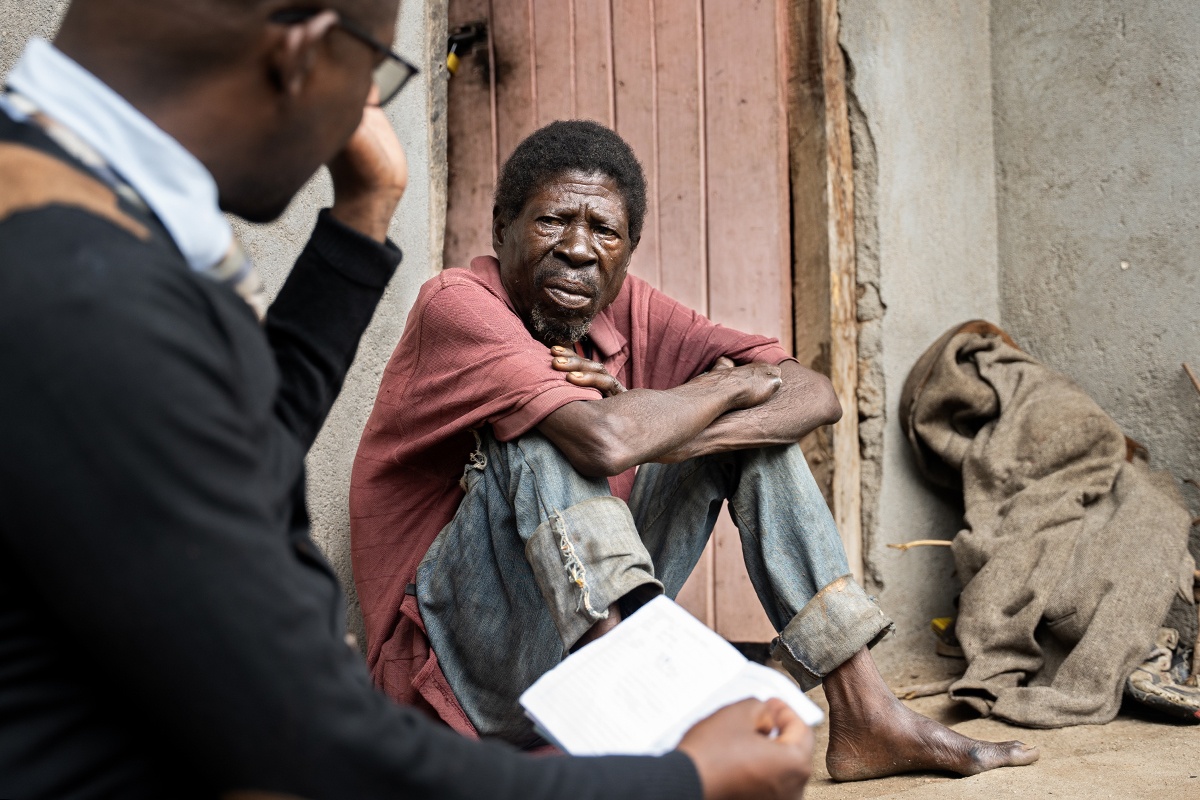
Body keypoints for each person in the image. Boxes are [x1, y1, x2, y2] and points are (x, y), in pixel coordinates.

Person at [0, 2, 813, 798]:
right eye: (376, 76)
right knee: (539, 436)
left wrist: (361, 215)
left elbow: (241, 459)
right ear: (305, 55)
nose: (366, 112)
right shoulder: (88, 296)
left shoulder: (67, 214)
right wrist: (683, 779)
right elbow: (319, 752)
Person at [351, 120, 1043, 780]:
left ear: (626, 253)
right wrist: (670, 405)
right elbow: (604, 439)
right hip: (454, 667)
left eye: (604, 231)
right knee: (545, 433)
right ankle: (625, 704)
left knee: (754, 438)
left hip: (556, 652)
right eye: (552, 220)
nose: (579, 248)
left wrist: (673, 424)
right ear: (502, 226)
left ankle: (864, 709)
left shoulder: (625, 309)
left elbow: (813, 396)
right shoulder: (458, 304)